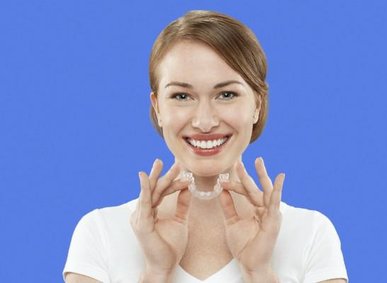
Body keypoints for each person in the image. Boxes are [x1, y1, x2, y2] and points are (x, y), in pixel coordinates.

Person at [64, 10, 348, 283]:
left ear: (257, 105)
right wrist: (157, 273)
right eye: (182, 96)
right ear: (157, 108)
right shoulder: (100, 233)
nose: (204, 121)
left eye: (226, 94)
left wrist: (259, 273)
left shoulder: (311, 234)